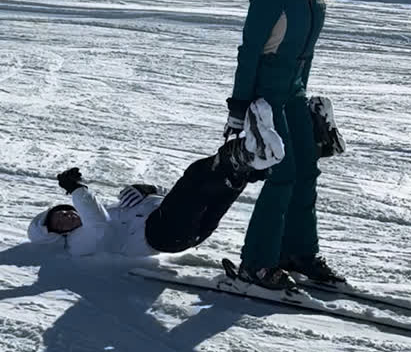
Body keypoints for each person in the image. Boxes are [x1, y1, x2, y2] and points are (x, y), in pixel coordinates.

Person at [224, 0, 346, 290]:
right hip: (266, 97)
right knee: (283, 174)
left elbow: (304, 53)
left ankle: (297, 252)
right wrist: (240, 107)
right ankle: (256, 263)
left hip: (293, 92)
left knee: (307, 169)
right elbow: (250, 50)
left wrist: (305, 100)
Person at [28, 100, 285, 258]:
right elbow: (99, 226)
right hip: (161, 235)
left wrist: (151, 190)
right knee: (196, 175)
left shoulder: (112, 210)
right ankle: (247, 153)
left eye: (62, 212)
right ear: (57, 236)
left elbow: (173, 198)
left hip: (185, 230)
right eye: (59, 223)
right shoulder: (76, 244)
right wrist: (77, 189)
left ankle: (254, 162)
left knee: (217, 187)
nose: (67, 216)